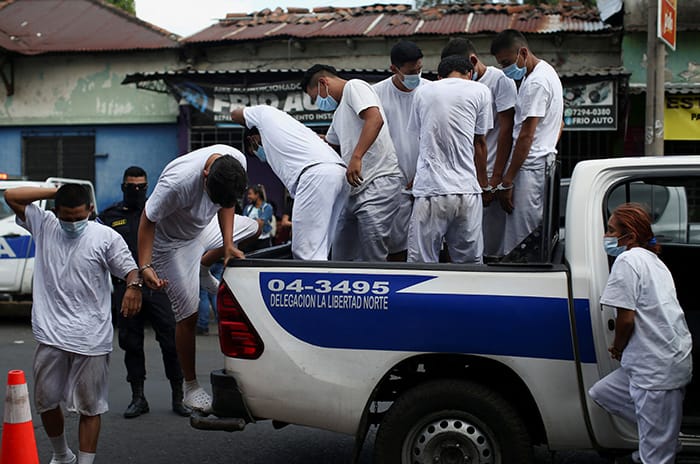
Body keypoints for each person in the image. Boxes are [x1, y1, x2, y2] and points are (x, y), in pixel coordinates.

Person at [5, 184, 141, 464]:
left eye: (79, 217)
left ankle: (85, 461)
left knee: (90, 408)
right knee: (46, 401)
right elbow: (11, 196)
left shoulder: (105, 237)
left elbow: (130, 269)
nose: (73, 224)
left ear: (90, 210)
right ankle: (62, 455)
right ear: (56, 212)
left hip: (91, 337)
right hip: (51, 333)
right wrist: (57, 191)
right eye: (66, 218)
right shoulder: (45, 225)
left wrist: (133, 287)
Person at [137, 144, 259, 413]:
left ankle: (204, 267)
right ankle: (190, 388)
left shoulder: (234, 162)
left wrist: (227, 244)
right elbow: (147, 219)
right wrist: (145, 265)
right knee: (188, 316)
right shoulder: (177, 183)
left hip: (201, 231)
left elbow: (226, 204)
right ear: (205, 173)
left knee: (254, 227)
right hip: (170, 245)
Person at [588, 203, 692, 464]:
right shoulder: (653, 261)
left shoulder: (628, 259)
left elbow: (625, 319)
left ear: (630, 236)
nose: (607, 236)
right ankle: (663, 434)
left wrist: (617, 347)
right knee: (603, 392)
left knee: (655, 458)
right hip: (658, 359)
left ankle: (661, 442)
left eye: (612, 231)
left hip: (655, 366)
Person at [98, 166, 190, 418]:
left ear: (148, 188)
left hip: (160, 287)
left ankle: (178, 396)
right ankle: (138, 398)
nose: (136, 191)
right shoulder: (110, 216)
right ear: (123, 187)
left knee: (171, 342)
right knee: (131, 343)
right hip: (127, 290)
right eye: (131, 187)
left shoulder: (161, 212)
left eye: (141, 187)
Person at [301, 64, 403, 262]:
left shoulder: (354, 87)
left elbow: (375, 119)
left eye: (316, 97)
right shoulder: (339, 114)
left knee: (373, 256)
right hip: (353, 189)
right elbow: (328, 143)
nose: (318, 102)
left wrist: (356, 156)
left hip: (378, 182)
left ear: (323, 83)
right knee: (341, 255)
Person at [231, 105, 348, 260]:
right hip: (338, 172)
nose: (259, 154)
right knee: (323, 247)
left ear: (252, 139)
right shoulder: (294, 132)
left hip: (316, 176)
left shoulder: (264, 117)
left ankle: (310, 283)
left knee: (305, 252)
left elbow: (234, 114)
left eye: (254, 150)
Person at [405, 55, 492, 264]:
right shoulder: (480, 90)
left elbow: (422, 138)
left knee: (422, 263)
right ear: (469, 74)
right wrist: (484, 185)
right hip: (466, 192)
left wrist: (416, 178)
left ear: (439, 76)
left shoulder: (423, 91)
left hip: (430, 191)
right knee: (470, 263)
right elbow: (479, 143)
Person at [441, 37, 517, 260]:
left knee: (490, 243)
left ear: (472, 61)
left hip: (490, 173)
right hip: (463, 178)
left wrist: (496, 177)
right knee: (463, 242)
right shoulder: (456, 86)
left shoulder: (499, 80)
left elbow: (506, 130)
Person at [490, 29, 564, 256]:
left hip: (530, 170)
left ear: (523, 52)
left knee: (522, 243)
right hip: (541, 164)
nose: (505, 70)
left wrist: (507, 181)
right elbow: (559, 124)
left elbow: (525, 136)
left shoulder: (536, 84)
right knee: (533, 237)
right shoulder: (547, 73)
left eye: (506, 63)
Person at [373, 40, 430, 261]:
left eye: (419, 70)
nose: (416, 75)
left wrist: (423, 171)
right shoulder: (376, 94)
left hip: (426, 179)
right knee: (396, 248)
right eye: (410, 72)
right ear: (393, 69)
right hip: (392, 183)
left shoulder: (429, 91)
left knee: (427, 248)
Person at [242, 184, 274, 252]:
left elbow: (260, 224)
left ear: (257, 195)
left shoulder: (267, 207)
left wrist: (249, 224)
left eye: (250, 194)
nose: (248, 196)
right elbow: (243, 224)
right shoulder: (247, 208)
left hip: (263, 240)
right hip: (249, 241)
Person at [196, 260, 223, 335]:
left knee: (203, 294)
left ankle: (202, 325)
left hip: (205, 262)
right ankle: (221, 323)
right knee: (215, 293)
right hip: (219, 261)